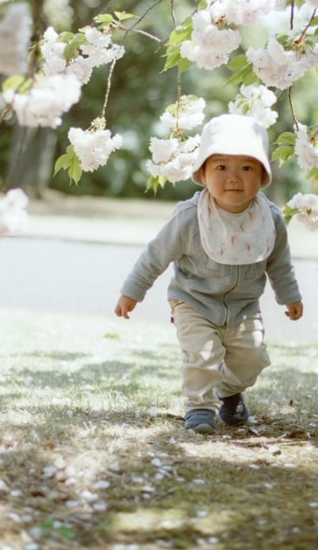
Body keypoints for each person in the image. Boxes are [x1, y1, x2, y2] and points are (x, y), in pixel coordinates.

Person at [114, 114, 304, 434]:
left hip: (244, 307)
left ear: (263, 175)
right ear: (202, 174)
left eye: (246, 167)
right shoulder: (191, 217)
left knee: (252, 360)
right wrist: (132, 291)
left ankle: (229, 390)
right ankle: (200, 407)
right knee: (203, 355)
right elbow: (156, 255)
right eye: (221, 167)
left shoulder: (269, 218)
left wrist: (290, 296)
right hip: (194, 301)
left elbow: (279, 262)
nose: (233, 177)